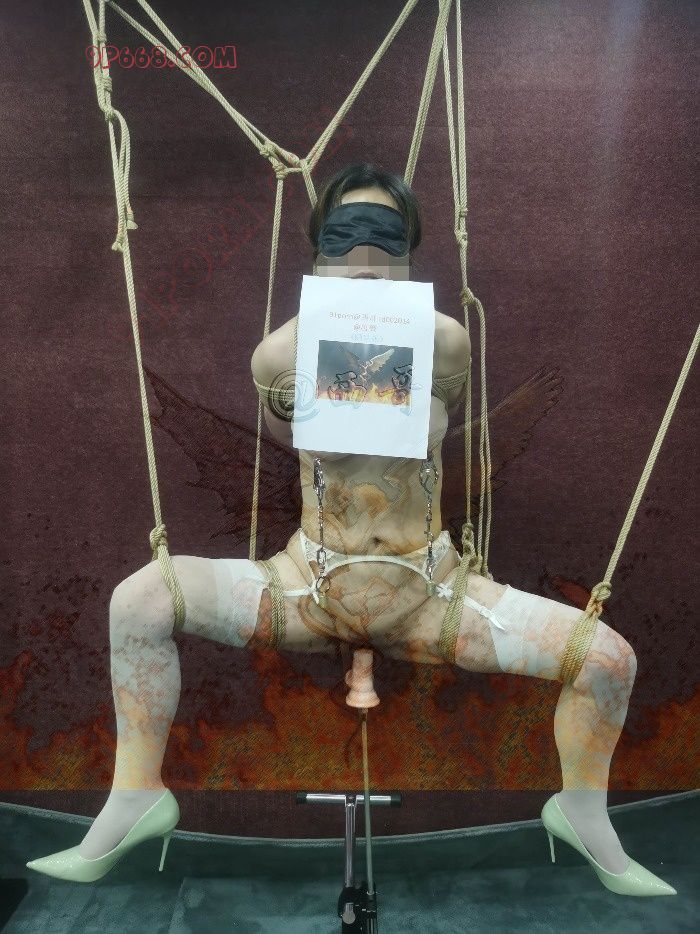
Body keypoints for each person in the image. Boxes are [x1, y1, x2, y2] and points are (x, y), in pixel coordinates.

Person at [26, 162, 675, 897]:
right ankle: (135, 796)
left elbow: (429, 407)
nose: (365, 255)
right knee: (138, 600)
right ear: (319, 249)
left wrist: (420, 397)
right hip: (308, 586)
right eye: (345, 237)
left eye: (385, 236)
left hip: (431, 593)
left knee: (608, 661)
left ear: (409, 250)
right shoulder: (280, 354)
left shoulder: (445, 342)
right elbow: (307, 431)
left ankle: (582, 812)